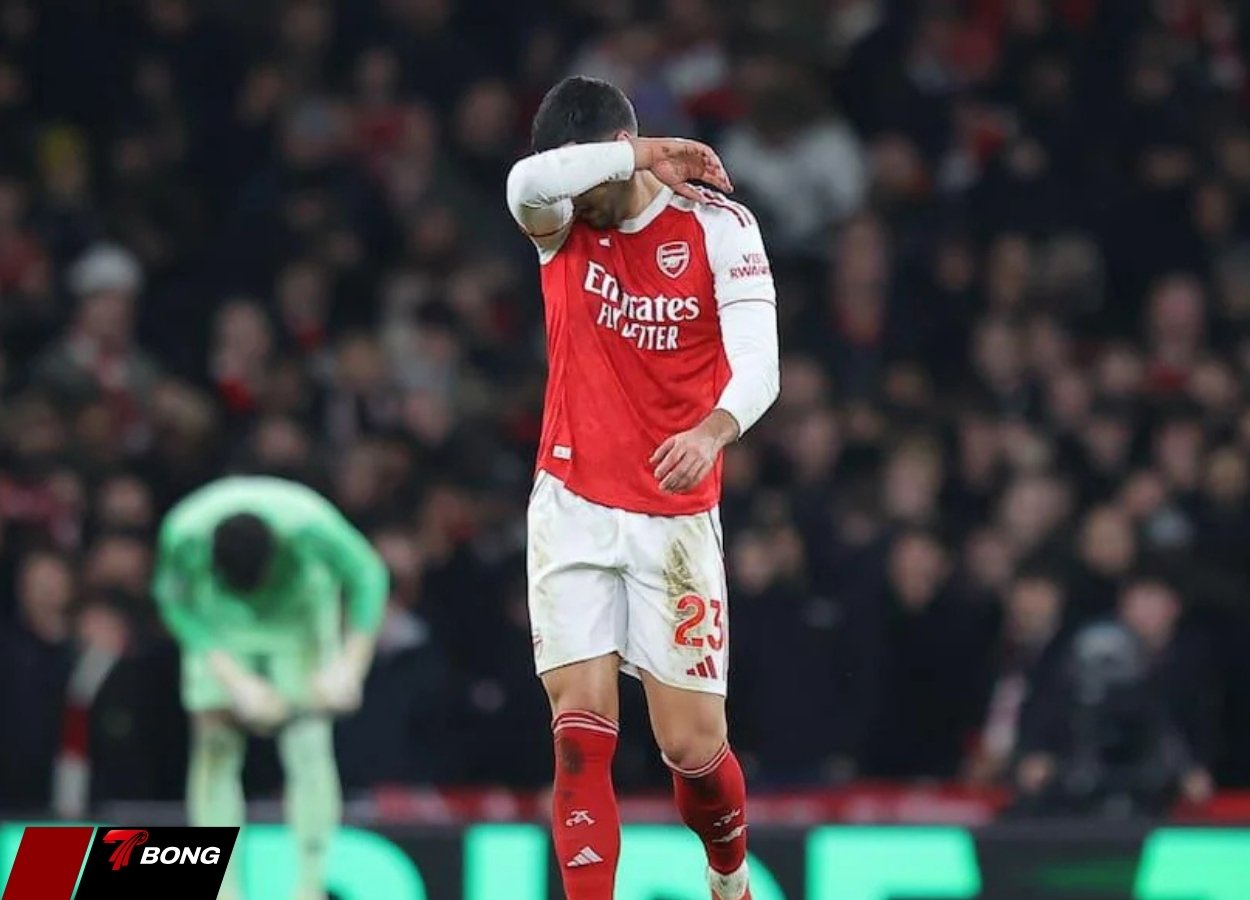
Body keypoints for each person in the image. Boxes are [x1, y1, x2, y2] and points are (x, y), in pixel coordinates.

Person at [506, 76, 780, 900]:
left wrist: (711, 431)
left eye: (595, 182)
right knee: (580, 736)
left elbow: (760, 363)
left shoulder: (717, 227)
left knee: (693, 751)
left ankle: (728, 876)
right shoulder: (557, 223)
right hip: (572, 501)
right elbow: (526, 184)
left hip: (675, 520)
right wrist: (634, 154)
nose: (576, 202)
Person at [151, 476, 388, 900]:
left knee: (307, 742)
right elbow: (172, 601)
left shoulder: (312, 528)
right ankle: (222, 889)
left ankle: (309, 887)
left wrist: (350, 665)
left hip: (297, 616)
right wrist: (232, 678)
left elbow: (368, 576)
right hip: (220, 617)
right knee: (214, 744)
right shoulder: (185, 534)